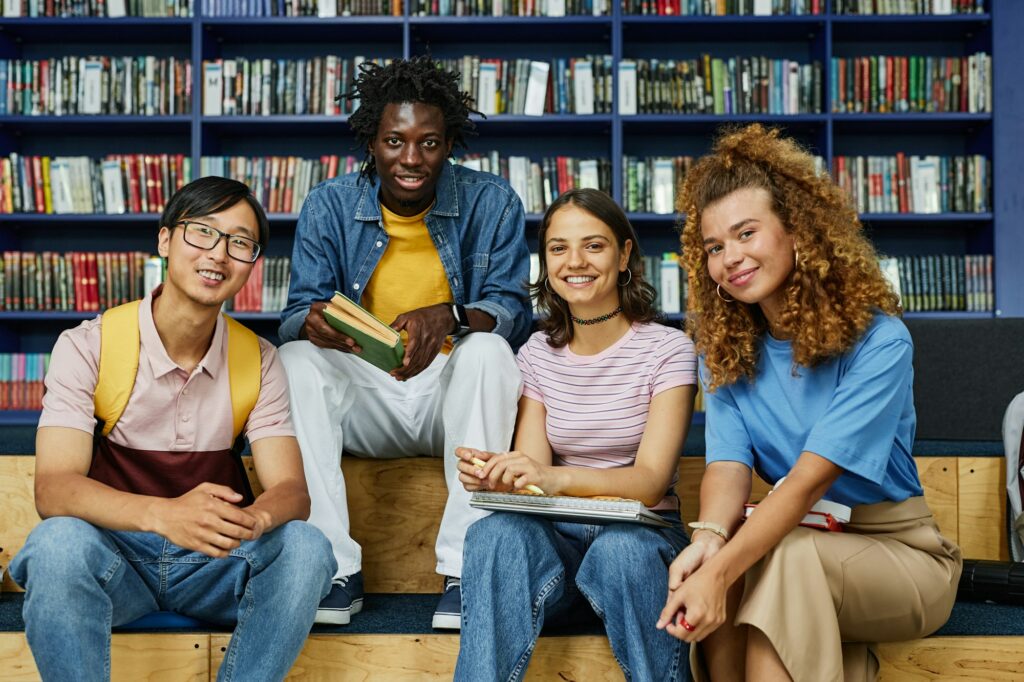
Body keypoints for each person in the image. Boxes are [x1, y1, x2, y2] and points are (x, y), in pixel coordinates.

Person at [656, 124, 962, 682]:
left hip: (900, 556)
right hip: (805, 543)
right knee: (739, 558)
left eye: (747, 233)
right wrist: (708, 540)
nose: (731, 258)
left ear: (797, 230)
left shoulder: (881, 340)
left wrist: (720, 570)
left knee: (773, 559)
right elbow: (728, 463)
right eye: (715, 247)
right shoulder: (724, 349)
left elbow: (805, 484)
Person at [9, 176, 336, 681]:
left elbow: (292, 492)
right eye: (202, 232)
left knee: (307, 548)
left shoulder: (261, 359)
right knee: (56, 545)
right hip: (117, 561)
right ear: (165, 240)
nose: (219, 254)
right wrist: (164, 516)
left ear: (252, 265)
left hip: (215, 563)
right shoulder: (88, 346)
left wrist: (254, 522)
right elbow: (54, 489)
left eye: (240, 243)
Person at [277, 55, 531, 629]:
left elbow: (515, 312)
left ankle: (469, 569)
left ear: (450, 144)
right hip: (368, 394)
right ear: (372, 140)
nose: (411, 159)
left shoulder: (493, 203)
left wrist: (452, 315)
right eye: (395, 141)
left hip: (452, 396)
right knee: (293, 359)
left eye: (429, 142)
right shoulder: (329, 205)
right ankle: (332, 568)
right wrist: (311, 324)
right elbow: (294, 313)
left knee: (489, 352)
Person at [453, 188, 698, 681]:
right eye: (558, 248)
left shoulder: (669, 350)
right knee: (495, 533)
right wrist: (502, 476)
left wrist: (552, 477)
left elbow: (650, 481)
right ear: (544, 262)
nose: (575, 262)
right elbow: (534, 477)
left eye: (594, 245)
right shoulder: (537, 353)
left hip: (641, 548)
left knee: (621, 550)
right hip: (556, 557)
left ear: (624, 253)